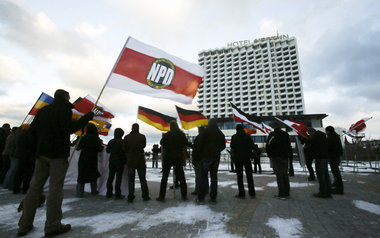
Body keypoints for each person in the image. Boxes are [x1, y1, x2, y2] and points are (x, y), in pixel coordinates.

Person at [17, 89, 93, 237]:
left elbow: (32, 131)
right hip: (57, 155)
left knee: (34, 188)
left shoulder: (44, 110)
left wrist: (35, 151)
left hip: (41, 154)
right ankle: (52, 225)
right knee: (55, 190)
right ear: (66, 98)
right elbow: (69, 129)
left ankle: (24, 225)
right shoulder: (65, 110)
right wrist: (87, 118)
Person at [193, 118, 225, 203]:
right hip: (216, 158)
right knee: (214, 178)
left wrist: (200, 154)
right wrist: (217, 150)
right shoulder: (220, 133)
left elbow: (199, 144)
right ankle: (213, 197)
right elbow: (223, 145)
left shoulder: (205, 132)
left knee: (203, 177)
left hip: (205, 157)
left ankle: (201, 197)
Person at [156, 121, 188, 202]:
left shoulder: (168, 134)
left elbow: (162, 142)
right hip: (178, 157)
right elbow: (185, 143)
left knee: (164, 178)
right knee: (181, 177)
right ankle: (184, 195)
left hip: (168, 158)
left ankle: (162, 196)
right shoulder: (181, 134)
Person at [301, 128, 332, 198]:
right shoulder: (322, 136)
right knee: (326, 174)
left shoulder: (316, 136)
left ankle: (323, 192)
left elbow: (310, 141)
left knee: (321, 175)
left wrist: (301, 138)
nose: (310, 135)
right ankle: (328, 191)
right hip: (325, 157)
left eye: (309, 134)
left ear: (312, 132)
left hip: (319, 157)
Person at [266, 122, 292, 200]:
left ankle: (282, 193)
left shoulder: (272, 135)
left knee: (279, 175)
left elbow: (268, 145)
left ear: (274, 127)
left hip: (276, 157)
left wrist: (270, 155)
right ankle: (287, 191)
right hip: (285, 157)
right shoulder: (285, 134)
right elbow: (289, 145)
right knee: (285, 174)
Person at [124, 123, 150, 202]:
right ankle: (145, 196)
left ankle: (130, 196)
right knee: (142, 179)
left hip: (130, 160)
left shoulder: (126, 137)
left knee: (131, 180)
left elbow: (124, 148)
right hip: (140, 160)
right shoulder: (142, 137)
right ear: (138, 128)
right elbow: (144, 145)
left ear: (131, 128)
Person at [76, 123, 103, 197]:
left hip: (83, 159)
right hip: (92, 159)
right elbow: (99, 149)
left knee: (81, 177)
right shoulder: (96, 138)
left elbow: (77, 148)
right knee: (93, 176)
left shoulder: (84, 138)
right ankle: (94, 191)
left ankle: (79, 193)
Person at [230, 124, 255, 199]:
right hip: (247, 158)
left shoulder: (234, 137)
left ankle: (242, 193)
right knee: (249, 176)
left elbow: (232, 148)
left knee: (240, 177)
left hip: (238, 159)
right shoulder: (248, 136)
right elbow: (252, 146)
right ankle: (252, 192)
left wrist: (233, 157)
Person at [13, 124, 34, 194]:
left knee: (19, 173)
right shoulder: (29, 136)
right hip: (28, 157)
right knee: (27, 174)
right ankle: (25, 188)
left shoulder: (19, 135)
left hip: (20, 156)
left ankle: (15, 188)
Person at [106, 128, 126, 199]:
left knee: (110, 177)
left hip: (112, 160)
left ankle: (109, 193)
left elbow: (107, 151)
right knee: (118, 178)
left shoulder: (111, 141)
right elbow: (125, 151)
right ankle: (117, 194)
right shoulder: (123, 142)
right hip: (120, 161)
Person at [325, 126, 344, 195]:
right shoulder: (336, 137)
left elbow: (327, 147)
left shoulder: (331, 138)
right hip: (336, 157)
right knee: (336, 173)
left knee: (336, 173)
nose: (326, 133)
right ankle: (337, 186)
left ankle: (339, 189)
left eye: (326, 131)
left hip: (333, 157)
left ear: (328, 131)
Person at [191, 126, 206, 196]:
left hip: (198, 159)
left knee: (198, 176)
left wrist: (194, 159)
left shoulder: (199, 138)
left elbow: (196, 149)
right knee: (204, 176)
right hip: (204, 159)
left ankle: (198, 190)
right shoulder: (206, 137)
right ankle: (205, 189)